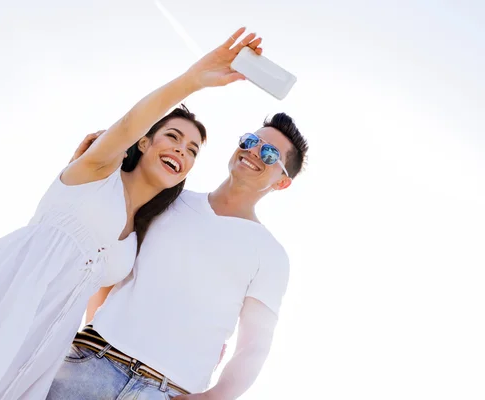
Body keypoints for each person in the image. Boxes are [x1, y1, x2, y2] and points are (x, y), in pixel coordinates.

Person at [0, 27, 261, 400]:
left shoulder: (138, 232)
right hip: (0, 306)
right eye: (173, 137)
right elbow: (130, 122)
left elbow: (107, 305)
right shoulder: (96, 171)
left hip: (46, 346)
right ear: (144, 142)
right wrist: (193, 80)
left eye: (193, 150)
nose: (182, 151)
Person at [47, 113, 308, 400]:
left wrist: (215, 397)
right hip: (90, 363)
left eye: (269, 153)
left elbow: (255, 345)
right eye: (251, 141)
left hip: (167, 392)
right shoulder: (169, 197)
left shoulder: (271, 255)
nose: (253, 151)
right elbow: (114, 264)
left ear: (282, 182)